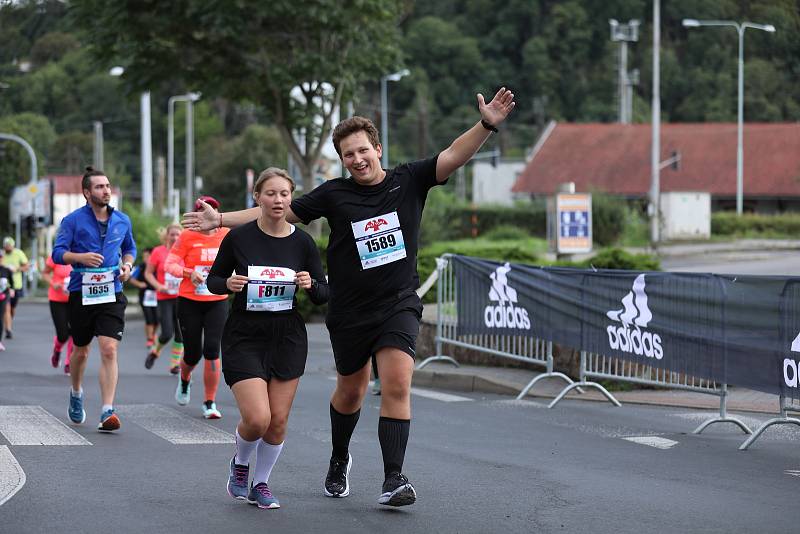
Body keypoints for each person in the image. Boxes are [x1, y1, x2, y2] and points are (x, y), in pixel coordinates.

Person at [184, 87, 515, 506]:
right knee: (352, 391)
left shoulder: (409, 180)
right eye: (348, 155)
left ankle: (394, 478)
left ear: (377, 148)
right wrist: (220, 221)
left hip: (397, 302)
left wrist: (486, 125)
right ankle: (339, 457)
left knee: (396, 382)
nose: (357, 160)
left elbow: (453, 154)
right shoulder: (333, 194)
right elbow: (276, 212)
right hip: (348, 310)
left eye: (362, 151)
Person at [207, 168, 328, 509]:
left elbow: (323, 293)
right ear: (257, 197)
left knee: (277, 422)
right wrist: (227, 284)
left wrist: (310, 285)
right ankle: (241, 464)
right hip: (245, 334)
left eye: (285, 194)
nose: (278, 200)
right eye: (271, 194)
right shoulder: (239, 238)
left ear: (291, 198)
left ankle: (261, 483)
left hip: (287, 336)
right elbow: (213, 280)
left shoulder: (303, 242)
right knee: (258, 418)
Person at [52, 166, 136, 432]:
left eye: (108, 186)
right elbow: (57, 254)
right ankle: (76, 392)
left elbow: (129, 248)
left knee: (109, 349)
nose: (106, 190)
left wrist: (127, 266)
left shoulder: (122, 220)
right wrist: (80, 258)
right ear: (87, 192)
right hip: (82, 291)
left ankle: (107, 410)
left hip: (112, 290)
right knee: (81, 350)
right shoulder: (72, 221)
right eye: (100, 187)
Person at [165, 196, 229, 419]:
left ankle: (209, 402)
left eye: (208, 210)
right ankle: (184, 380)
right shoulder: (186, 237)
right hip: (189, 301)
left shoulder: (226, 234)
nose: (204, 215)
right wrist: (188, 273)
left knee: (212, 350)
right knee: (192, 354)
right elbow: (169, 264)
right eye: (199, 211)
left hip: (217, 300)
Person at [144, 224, 184, 373]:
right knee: (167, 332)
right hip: (164, 297)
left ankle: (174, 365)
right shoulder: (158, 252)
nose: (175, 237)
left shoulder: (185, 251)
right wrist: (158, 286)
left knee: (181, 333)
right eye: (172, 234)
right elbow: (148, 274)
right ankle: (155, 352)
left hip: (182, 297)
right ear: (166, 236)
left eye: (178, 234)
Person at [41, 256, 74, 373]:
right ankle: (57, 349)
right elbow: (44, 273)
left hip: (76, 299)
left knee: (74, 332)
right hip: (57, 299)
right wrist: (53, 283)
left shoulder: (82, 254)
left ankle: (69, 363)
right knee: (63, 334)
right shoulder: (57, 256)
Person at [127, 247, 159, 351]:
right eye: (144, 257)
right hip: (145, 296)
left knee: (157, 318)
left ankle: (153, 335)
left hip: (157, 295)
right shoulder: (141, 267)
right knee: (149, 317)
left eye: (148, 256)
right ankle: (150, 338)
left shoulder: (158, 266)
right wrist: (139, 284)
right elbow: (131, 278)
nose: (146, 259)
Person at [1, 236, 29, 340]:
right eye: (6, 246)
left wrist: (16, 268)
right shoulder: (2, 255)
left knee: (12, 308)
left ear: (12, 246)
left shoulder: (18, 253)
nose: (7, 248)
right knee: (6, 308)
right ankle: (8, 330)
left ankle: (9, 321)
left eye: (9, 246)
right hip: (4, 286)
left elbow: (26, 266)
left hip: (16, 285)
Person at [0, 250, 13, 351]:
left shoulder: (6, 270)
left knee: (0, 317)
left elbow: (11, 282)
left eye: (0, 257)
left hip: (2, 296)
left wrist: (11, 290)